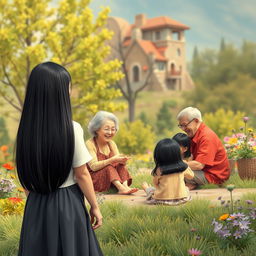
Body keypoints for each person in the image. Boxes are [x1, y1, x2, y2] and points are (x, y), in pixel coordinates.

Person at [16, 62, 103, 256]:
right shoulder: (71, 129)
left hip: (36, 202)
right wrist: (95, 206)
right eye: (68, 86)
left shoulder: (26, 130)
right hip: (67, 203)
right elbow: (81, 174)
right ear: (60, 92)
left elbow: (26, 168)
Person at [177, 107, 230, 190]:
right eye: (181, 126)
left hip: (214, 176)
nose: (183, 129)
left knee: (176, 172)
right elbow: (191, 158)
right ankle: (190, 185)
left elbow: (199, 165)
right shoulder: (195, 134)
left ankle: (188, 186)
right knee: (177, 172)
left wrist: (174, 164)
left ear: (196, 121)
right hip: (204, 172)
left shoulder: (206, 137)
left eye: (185, 125)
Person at [86, 111, 138, 194]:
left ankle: (125, 186)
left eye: (113, 129)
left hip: (111, 179)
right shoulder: (90, 144)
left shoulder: (111, 143)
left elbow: (117, 163)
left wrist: (122, 161)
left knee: (120, 165)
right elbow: (93, 167)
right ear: (96, 129)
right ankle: (121, 188)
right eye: (106, 129)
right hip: (95, 180)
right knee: (109, 166)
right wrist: (112, 160)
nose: (110, 132)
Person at [142, 138, 194, 205]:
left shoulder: (159, 169)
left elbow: (155, 183)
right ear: (177, 153)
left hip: (161, 200)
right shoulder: (183, 166)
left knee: (152, 190)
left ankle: (146, 188)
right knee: (186, 188)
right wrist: (185, 163)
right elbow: (191, 176)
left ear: (158, 156)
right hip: (182, 199)